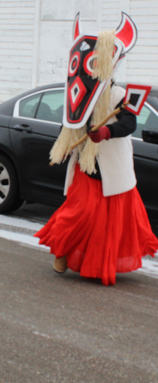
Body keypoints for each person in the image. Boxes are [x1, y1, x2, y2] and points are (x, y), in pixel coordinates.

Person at [36, 15, 158, 286]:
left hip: (112, 170)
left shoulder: (118, 95)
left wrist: (106, 132)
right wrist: (64, 145)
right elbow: (69, 121)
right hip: (85, 167)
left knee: (110, 224)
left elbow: (129, 122)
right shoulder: (77, 92)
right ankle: (62, 253)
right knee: (77, 215)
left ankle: (99, 264)